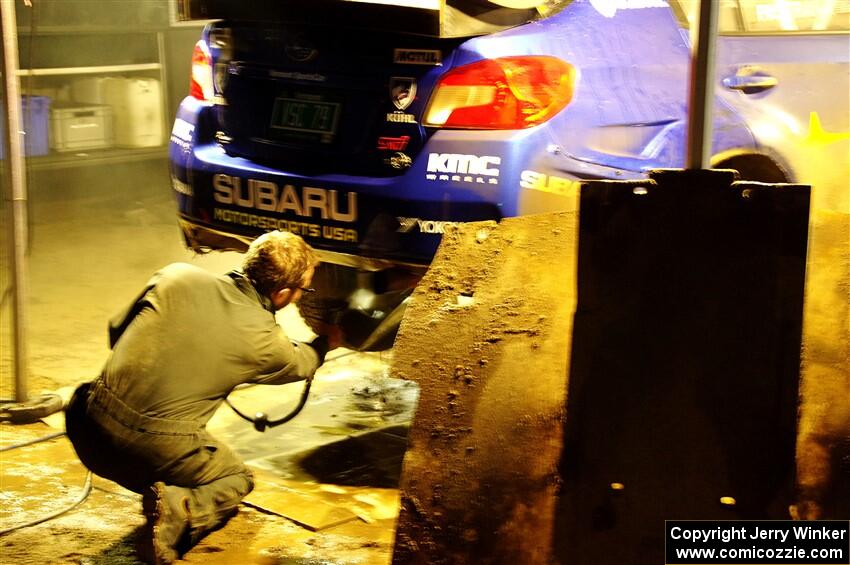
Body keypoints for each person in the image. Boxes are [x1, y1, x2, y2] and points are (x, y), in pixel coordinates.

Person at [65, 230, 341, 564]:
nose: (301, 296)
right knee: (236, 478)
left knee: (90, 392)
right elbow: (304, 363)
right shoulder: (268, 344)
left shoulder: (174, 277)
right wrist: (328, 340)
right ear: (283, 293)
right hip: (146, 455)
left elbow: (115, 333)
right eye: (303, 289)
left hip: (86, 427)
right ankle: (180, 511)